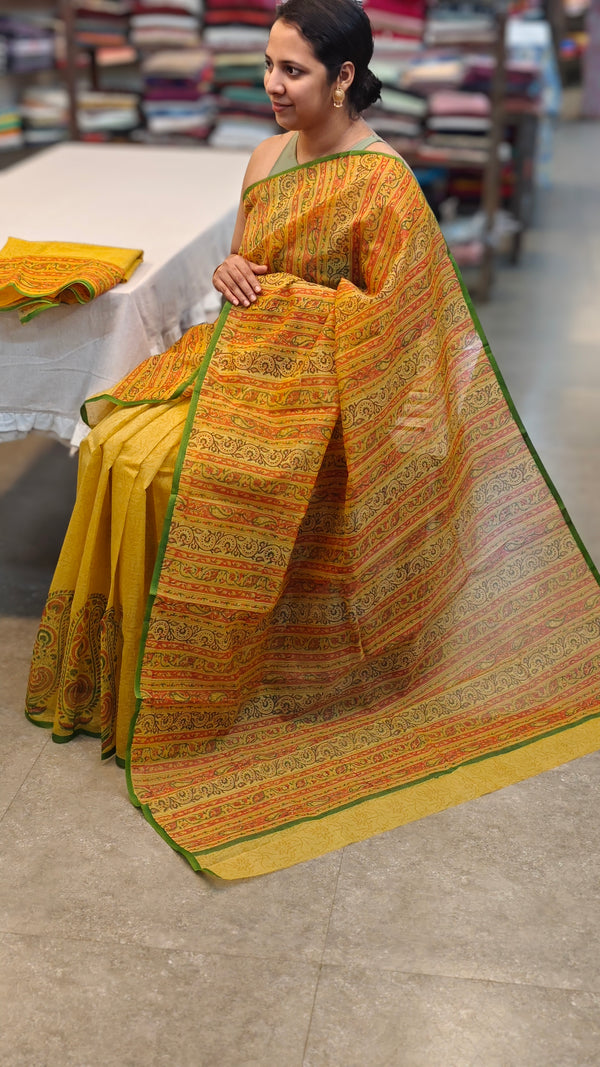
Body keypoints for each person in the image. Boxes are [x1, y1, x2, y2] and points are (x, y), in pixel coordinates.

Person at [26, 0, 600, 881]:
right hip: (248, 361)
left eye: (292, 70)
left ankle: (206, 681)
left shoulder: (385, 183)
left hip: (333, 397)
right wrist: (231, 269)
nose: (271, 84)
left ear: (344, 77)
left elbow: (405, 327)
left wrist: (293, 302)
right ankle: (119, 677)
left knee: (178, 469)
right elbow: (247, 266)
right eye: (268, 64)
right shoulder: (266, 158)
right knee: (114, 445)